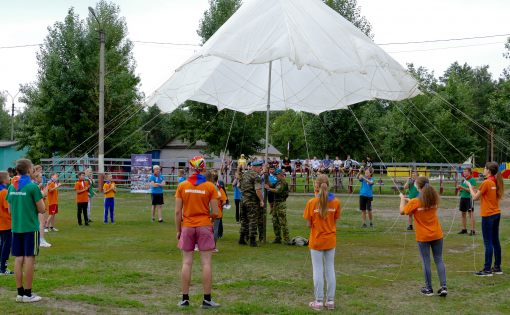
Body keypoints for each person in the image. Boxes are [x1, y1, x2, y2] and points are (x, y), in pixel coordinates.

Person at [175, 156, 220, 308]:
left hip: (187, 226)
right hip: (204, 225)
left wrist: (178, 230)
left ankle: (185, 299)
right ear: (203, 168)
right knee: (206, 263)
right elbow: (215, 212)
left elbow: (177, 212)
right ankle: (206, 300)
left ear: (190, 168)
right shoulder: (210, 187)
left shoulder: (182, 185)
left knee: (186, 263)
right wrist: (209, 218)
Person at [6, 159, 46, 302]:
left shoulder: (12, 186)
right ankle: (28, 294)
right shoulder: (32, 187)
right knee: (29, 258)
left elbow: (10, 210)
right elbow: (42, 209)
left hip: (16, 227)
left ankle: (19, 293)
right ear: (29, 170)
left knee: (18, 259)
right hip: (30, 228)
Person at [400, 176, 447, 297]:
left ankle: (429, 288)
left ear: (418, 186)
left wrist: (401, 199)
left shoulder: (416, 201)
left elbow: (402, 211)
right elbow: (418, 203)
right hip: (437, 234)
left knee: (426, 261)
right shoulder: (433, 198)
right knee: (439, 259)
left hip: (423, 237)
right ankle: (443, 286)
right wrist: (409, 200)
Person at [303, 174, 341, 311]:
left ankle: (318, 301)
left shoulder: (311, 202)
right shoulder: (335, 201)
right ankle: (330, 301)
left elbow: (308, 224)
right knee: (330, 269)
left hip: (317, 241)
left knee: (318, 270)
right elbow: (334, 221)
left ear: (317, 186)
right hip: (330, 240)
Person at [466, 162, 504, 276]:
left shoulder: (487, 182)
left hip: (488, 215)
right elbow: (485, 194)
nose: (483, 170)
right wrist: (476, 190)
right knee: (495, 241)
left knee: (488, 242)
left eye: (485, 168)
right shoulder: (494, 181)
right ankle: (497, 267)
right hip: (496, 214)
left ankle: (487, 269)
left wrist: (469, 186)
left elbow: (475, 198)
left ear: (488, 170)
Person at [239, 160, 264, 247]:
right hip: (252, 201)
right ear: (254, 167)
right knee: (253, 220)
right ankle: (252, 240)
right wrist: (261, 200)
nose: (261, 168)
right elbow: (258, 190)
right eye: (260, 167)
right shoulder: (256, 177)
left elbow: (239, 185)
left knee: (244, 220)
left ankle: (242, 238)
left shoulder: (245, 174)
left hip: (243, 199)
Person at [265, 169, 290, 244]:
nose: (276, 177)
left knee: (283, 222)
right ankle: (278, 238)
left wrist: (268, 188)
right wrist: (267, 178)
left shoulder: (283, 182)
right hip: (276, 204)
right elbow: (271, 185)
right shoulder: (278, 182)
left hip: (281, 204)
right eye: (275, 175)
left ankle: (286, 239)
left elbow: (277, 190)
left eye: (276, 175)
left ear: (280, 174)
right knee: (275, 221)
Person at [0, 171, 14, 275]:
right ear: (3, 179)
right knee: (6, 245)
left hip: (1, 222)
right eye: (9, 177)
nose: (10, 178)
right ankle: (3, 268)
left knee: (2, 244)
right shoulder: (4, 191)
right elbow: (8, 207)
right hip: (5, 223)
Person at [210, 171, 226, 252]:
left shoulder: (206, 187)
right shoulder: (219, 189)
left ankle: (200, 245)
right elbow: (224, 201)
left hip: (206, 212)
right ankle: (213, 247)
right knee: (215, 230)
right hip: (217, 212)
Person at [457, 168, 476, 235]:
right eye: (464, 171)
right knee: (463, 214)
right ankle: (464, 229)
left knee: (471, 214)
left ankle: (472, 230)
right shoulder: (463, 180)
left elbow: (471, 190)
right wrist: (459, 189)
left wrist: (462, 188)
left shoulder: (472, 180)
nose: (464, 172)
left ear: (470, 172)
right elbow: (462, 190)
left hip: (469, 198)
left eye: (466, 171)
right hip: (463, 198)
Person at [33, 173, 51, 248]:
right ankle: (41, 240)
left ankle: (41, 239)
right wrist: (47, 186)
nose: (42, 178)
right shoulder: (35, 186)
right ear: (36, 178)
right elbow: (44, 194)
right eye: (40, 177)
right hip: (38, 207)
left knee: (41, 222)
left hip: (40, 205)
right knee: (41, 223)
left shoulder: (36, 185)